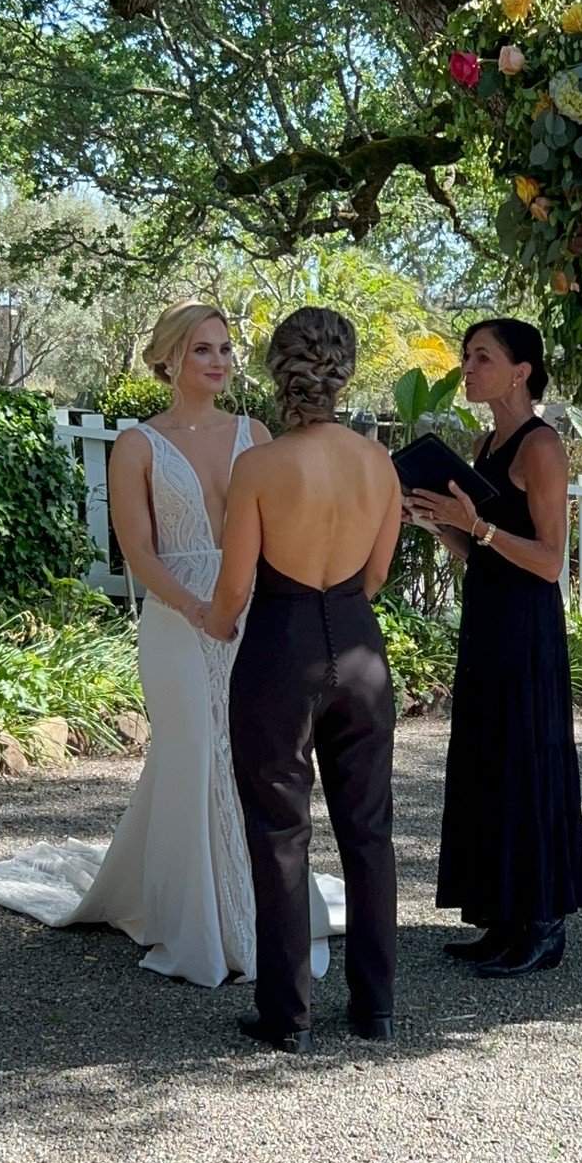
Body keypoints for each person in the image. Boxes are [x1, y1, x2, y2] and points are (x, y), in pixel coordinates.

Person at [0, 300, 346, 986]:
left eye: (225, 349)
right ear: (168, 358)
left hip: (256, 616)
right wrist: (197, 608)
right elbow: (138, 552)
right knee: (195, 749)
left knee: (250, 756)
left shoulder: (255, 431)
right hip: (175, 618)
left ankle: (258, 909)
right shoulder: (138, 444)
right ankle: (198, 927)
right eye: (202, 350)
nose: (219, 361)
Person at [207, 305, 401, 1055]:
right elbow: (377, 574)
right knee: (370, 830)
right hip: (358, 646)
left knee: (280, 830)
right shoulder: (378, 464)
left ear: (278, 371)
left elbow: (233, 592)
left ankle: (288, 1017)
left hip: (280, 648)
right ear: (345, 371)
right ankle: (375, 1007)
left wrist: (215, 623)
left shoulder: (258, 467)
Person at [407, 318, 582, 978]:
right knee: (488, 759)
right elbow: (478, 546)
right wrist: (437, 521)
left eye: (481, 357)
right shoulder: (487, 440)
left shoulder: (542, 447)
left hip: (525, 626)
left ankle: (544, 926)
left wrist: (479, 526)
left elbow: (547, 561)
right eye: (466, 355)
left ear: (521, 371)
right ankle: (503, 915)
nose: (468, 366)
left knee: (526, 761)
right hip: (487, 619)